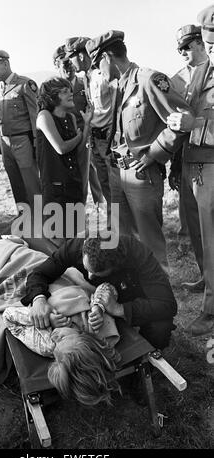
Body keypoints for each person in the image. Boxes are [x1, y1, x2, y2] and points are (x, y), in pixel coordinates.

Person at [85, 30, 194, 269]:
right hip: (117, 171)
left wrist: (155, 153)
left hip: (141, 174)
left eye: (97, 64)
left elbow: (182, 119)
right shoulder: (117, 87)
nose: (97, 70)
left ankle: (159, 294)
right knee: (122, 238)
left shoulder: (148, 80)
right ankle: (131, 287)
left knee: (149, 241)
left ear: (107, 57)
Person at [21, 232, 178, 351]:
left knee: (160, 329)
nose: (89, 276)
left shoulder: (139, 256)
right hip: (99, 297)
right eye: (87, 269)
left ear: (115, 267)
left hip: (134, 297)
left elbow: (167, 305)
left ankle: (147, 359)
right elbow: (39, 273)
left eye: (96, 274)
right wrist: (38, 299)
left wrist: (119, 309)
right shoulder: (76, 246)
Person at [166, 4, 214, 336]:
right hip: (197, 163)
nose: (209, 50)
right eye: (210, 43)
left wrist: (194, 122)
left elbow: (200, 119)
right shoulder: (200, 72)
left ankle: (210, 313)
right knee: (207, 241)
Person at [4, 281, 121, 406]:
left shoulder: (46, 345)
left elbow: (9, 316)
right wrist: (99, 307)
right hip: (62, 278)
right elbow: (108, 287)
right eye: (62, 338)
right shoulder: (96, 326)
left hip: (37, 288)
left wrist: (45, 318)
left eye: (55, 356)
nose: (54, 337)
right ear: (84, 339)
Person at [169, 25, 207, 292]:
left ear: (201, 43)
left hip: (210, 159)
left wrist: (195, 123)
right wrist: (174, 164)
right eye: (179, 47)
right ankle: (207, 276)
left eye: (187, 46)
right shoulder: (178, 78)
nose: (182, 51)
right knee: (194, 224)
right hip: (186, 157)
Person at [36, 77, 93, 237]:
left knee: (76, 233)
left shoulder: (71, 118)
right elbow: (61, 148)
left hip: (73, 182)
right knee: (58, 236)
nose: (70, 94)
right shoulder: (44, 116)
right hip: (56, 187)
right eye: (64, 91)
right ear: (52, 97)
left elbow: (78, 150)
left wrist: (87, 125)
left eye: (70, 90)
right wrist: (78, 137)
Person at [0, 49, 41, 209]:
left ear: (5, 63)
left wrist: (38, 146)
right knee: (16, 185)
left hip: (23, 141)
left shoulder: (25, 85)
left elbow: (35, 117)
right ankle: (24, 222)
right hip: (6, 144)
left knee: (32, 184)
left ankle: (42, 221)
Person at [66, 36, 116, 209]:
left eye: (71, 57)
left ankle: (126, 229)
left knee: (116, 186)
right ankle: (113, 227)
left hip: (109, 139)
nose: (70, 63)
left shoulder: (103, 74)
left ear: (80, 56)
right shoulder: (86, 77)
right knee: (106, 186)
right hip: (95, 139)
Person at [53, 43, 104, 204]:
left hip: (87, 136)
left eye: (70, 63)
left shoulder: (85, 83)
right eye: (64, 64)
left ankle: (101, 207)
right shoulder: (52, 89)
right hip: (66, 140)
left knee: (96, 175)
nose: (69, 67)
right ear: (56, 65)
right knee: (73, 179)